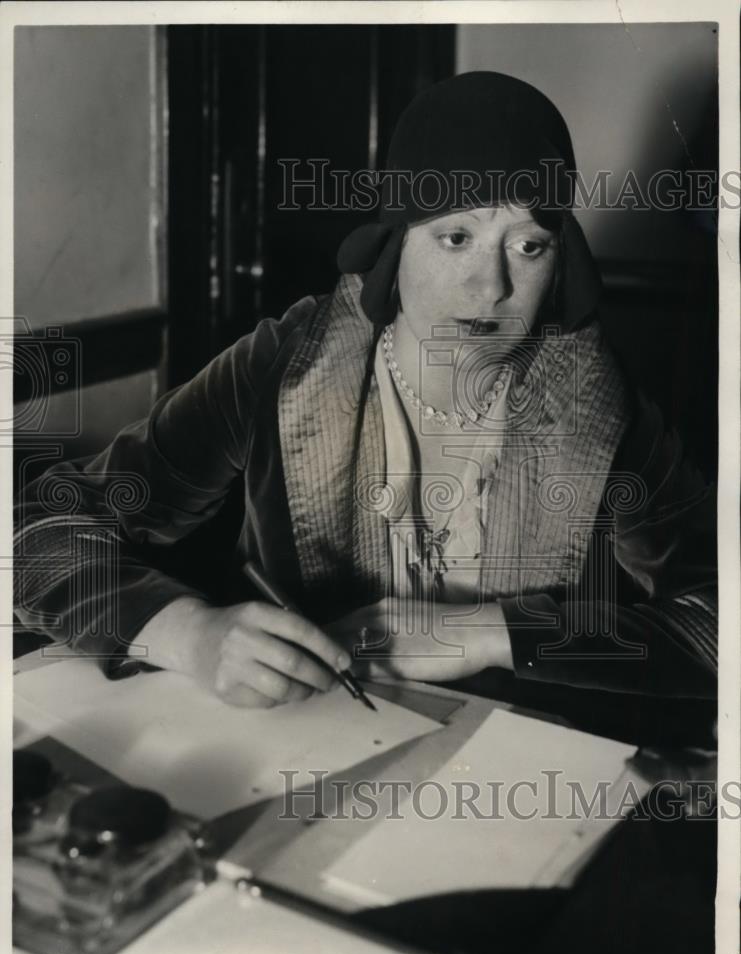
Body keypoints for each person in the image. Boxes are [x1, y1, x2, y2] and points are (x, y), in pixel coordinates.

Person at [14, 72, 717, 713]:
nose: (492, 286)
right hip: (304, 745)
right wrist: (188, 633)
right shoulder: (282, 364)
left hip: (522, 771)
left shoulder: (597, 401)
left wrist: (488, 631)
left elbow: (721, 618)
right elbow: (33, 533)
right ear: (394, 241)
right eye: (455, 237)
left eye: (529, 245)